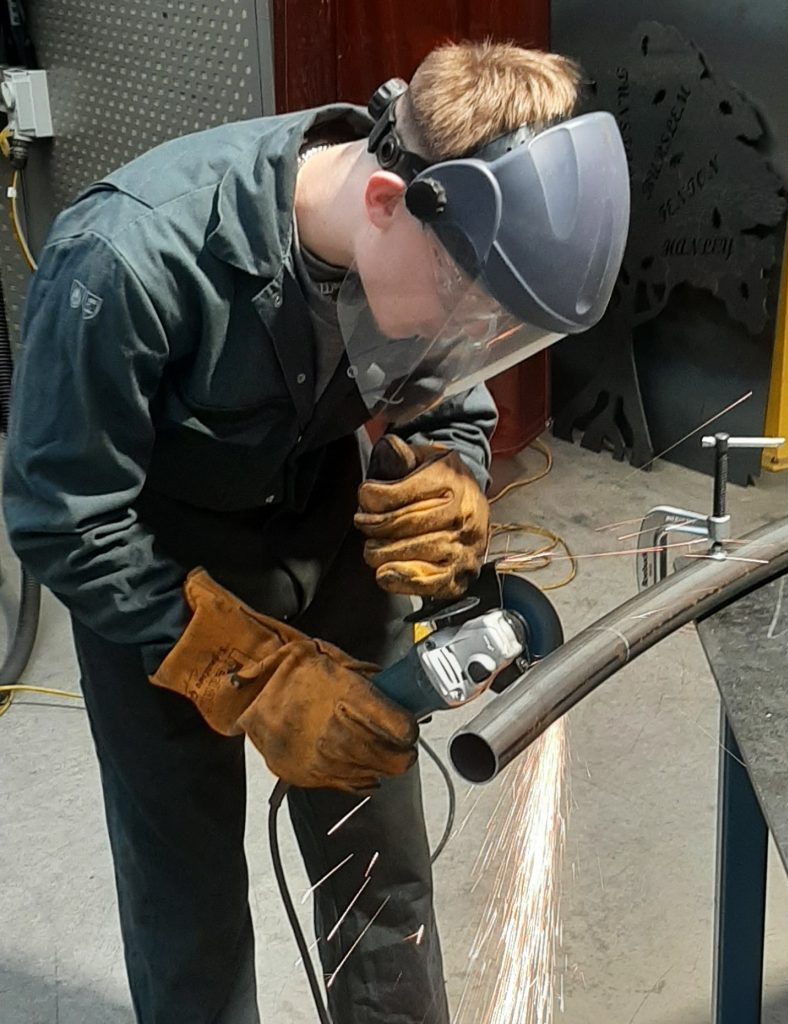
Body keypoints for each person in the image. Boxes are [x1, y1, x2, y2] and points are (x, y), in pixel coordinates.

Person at [3, 39, 628, 1024]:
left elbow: (447, 394)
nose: (467, 330)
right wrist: (249, 671)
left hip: (329, 543)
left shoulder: (421, 243)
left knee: (380, 866)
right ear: (384, 201)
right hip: (154, 575)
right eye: (464, 303)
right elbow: (60, 515)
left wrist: (451, 475)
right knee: (187, 897)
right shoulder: (125, 260)